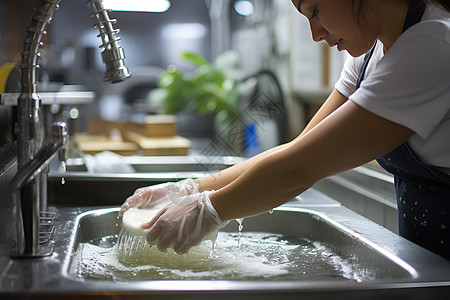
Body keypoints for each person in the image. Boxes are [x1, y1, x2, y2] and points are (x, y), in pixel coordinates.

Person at [120, 0, 450, 259]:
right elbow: (299, 148)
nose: (315, 34)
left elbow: (299, 168)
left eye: (315, 10)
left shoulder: (433, 43)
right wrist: (193, 188)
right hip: (429, 255)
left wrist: (209, 209)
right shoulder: (370, 57)